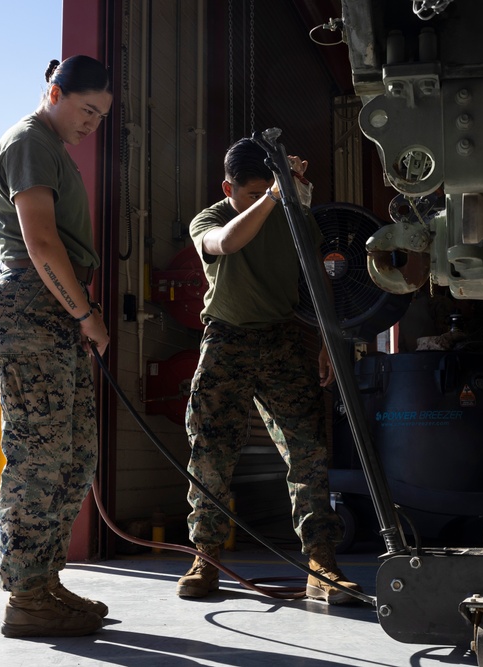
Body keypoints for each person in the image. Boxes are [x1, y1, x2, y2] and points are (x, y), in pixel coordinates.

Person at [177, 138, 361, 604]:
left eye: (268, 189)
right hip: (226, 340)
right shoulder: (212, 217)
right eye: (253, 192)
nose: (264, 198)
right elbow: (227, 242)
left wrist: (326, 338)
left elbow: (318, 275)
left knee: (309, 450)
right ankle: (207, 558)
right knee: (210, 449)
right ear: (228, 188)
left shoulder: (292, 216)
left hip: (281, 339)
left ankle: (322, 562)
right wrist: (273, 197)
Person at [0, 55, 112, 639]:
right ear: (53, 91)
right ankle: (27, 596)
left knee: (74, 458)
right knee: (40, 460)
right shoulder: (29, 141)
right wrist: (85, 313)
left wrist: (77, 312)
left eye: (102, 116)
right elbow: (41, 239)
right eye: (86, 110)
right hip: (31, 313)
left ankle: (45, 581)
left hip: (54, 317)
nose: (92, 125)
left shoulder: (54, 149)